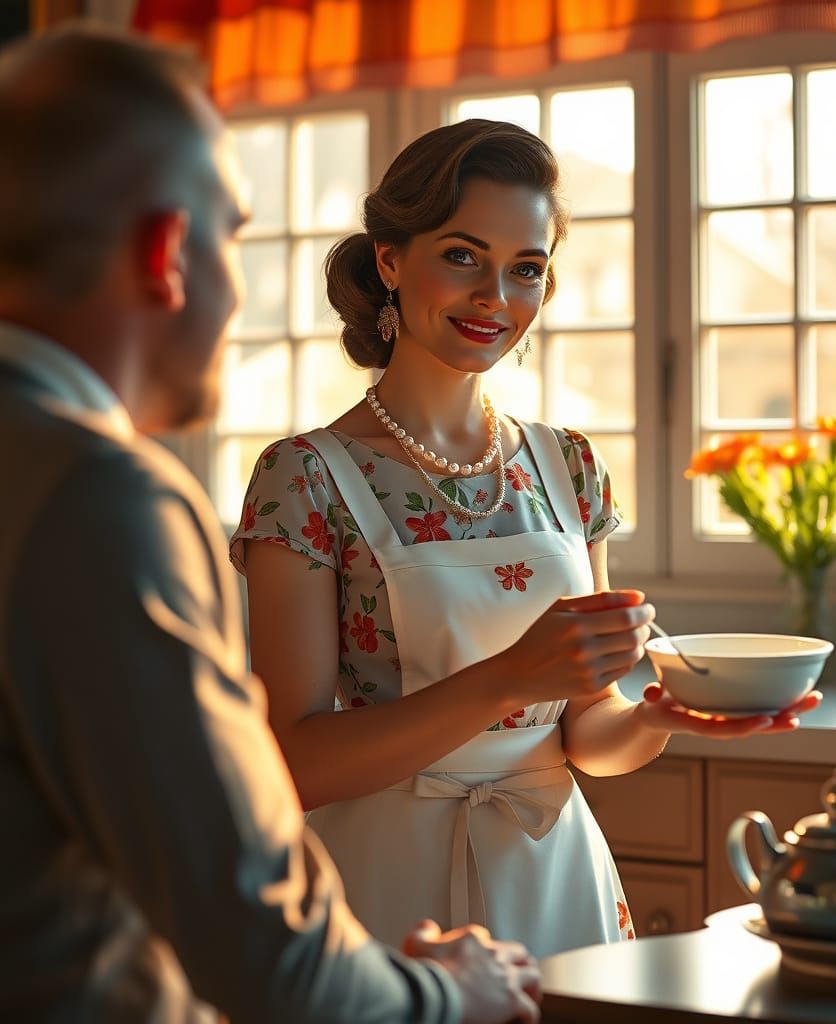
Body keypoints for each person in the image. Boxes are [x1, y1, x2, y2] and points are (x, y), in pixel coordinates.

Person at [0, 26, 542, 1024]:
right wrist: (447, 990)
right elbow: (260, 946)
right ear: (168, 253)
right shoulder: (104, 496)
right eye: (233, 234)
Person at [233, 118, 822, 959]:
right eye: (463, 255)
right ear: (390, 261)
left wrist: (665, 714)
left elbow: (589, 734)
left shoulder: (567, 467)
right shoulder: (304, 479)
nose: (495, 299)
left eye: (527, 269)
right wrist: (512, 676)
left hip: (555, 882)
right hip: (381, 900)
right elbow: (291, 762)